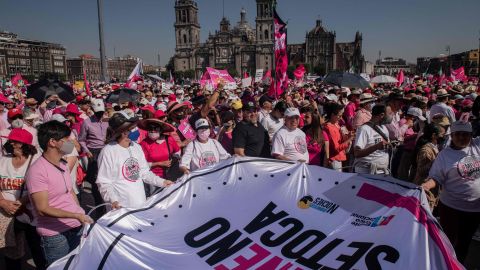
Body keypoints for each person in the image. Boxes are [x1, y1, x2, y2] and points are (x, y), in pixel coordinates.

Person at [26, 121, 91, 267]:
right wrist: (75, 215)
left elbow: (70, 192)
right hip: (56, 236)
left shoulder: (62, 164)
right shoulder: (37, 171)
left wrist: (78, 211)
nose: (71, 143)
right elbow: (42, 209)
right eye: (67, 140)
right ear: (52, 142)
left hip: (76, 227)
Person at [422, 120, 480, 263]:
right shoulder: (444, 155)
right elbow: (436, 177)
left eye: (466, 134)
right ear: (452, 136)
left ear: (471, 136)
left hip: (474, 209)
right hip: (451, 209)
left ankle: (458, 265)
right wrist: (425, 186)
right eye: (458, 134)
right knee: (448, 243)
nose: (462, 138)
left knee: (464, 243)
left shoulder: (477, 146)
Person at [96, 112, 174, 209]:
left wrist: (162, 182)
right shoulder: (108, 151)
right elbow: (104, 182)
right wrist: (113, 200)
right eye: (132, 128)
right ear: (123, 132)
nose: (135, 130)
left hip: (140, 203)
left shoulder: (136, 147)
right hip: (120, 207)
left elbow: (144, 173)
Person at [0, 128, 46, 270]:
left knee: (38, 250)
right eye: (12, 141)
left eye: (15, 142)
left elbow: (40, 188)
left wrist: (21, 203)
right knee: (11, 252)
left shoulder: (36, 162)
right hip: (5, 213)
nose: (12, 144)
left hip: (30, 214)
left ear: (24, 145)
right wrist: (3, 202)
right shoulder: (3, 160)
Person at [78, 98, 108, 218]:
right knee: (96, 182)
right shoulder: (87, 122)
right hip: (93, 152)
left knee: (107, 179)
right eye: (98, 112)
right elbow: (81, 139)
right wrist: (87, 151)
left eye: (101, 112)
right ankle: (99, 210)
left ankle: (107, 206)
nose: (100, 114)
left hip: (106, 151)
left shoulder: (107, 121)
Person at [353, 105, 391, 175]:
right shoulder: (364, 129)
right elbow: (357, 153)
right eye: (389, 114)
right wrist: (376, 147)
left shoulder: (384, 128)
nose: (391, 116)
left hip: (382, 172)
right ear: (382, 115)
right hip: (366, 173)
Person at [324, 103, 354, 171]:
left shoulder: (336, 124)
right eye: (339, 116)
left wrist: (347, 137)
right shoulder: (329, 127)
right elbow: (337, 148)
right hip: (334, 160)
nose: (341, 118)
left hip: (338, 158)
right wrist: (349, 139)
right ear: (332, 115)